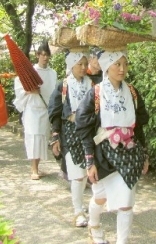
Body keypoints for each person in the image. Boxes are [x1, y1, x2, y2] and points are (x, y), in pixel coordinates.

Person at [76, 50, 149, 244]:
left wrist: (145, 154)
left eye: (125, 64)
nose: (122, 69)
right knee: (100, 197)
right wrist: (89, 161)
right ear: (107, 66)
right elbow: (84, 127)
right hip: (104, 154)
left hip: (129, 153)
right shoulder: (96, 93)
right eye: (117, 64)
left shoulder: (132, 92)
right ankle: (94, 226)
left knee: (126, 203)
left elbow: (139, 126)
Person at [48, 50, 92, 228]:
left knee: (86, 173)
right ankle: (78, 212)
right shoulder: (63, 86)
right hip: (70, 135)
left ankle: (80, 204)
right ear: (71, 65)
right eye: (79, 64)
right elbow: (55, 112)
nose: (83, 67)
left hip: (88, 134)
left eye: (85, 64)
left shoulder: (92, 84)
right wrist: (55, 136)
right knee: (77, 176)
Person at [13, 41, 57, 180]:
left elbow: (54, 91)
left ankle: (37, 167)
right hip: (32, 109)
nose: (44, 57)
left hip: (45, 109)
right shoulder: (31, 71)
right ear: (37, 55)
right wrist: (30, 90)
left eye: (47, 55)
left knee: (42, 138)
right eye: (42, 54)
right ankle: (33, 169)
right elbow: (19, 87)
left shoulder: (52, 73)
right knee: (33, 137)